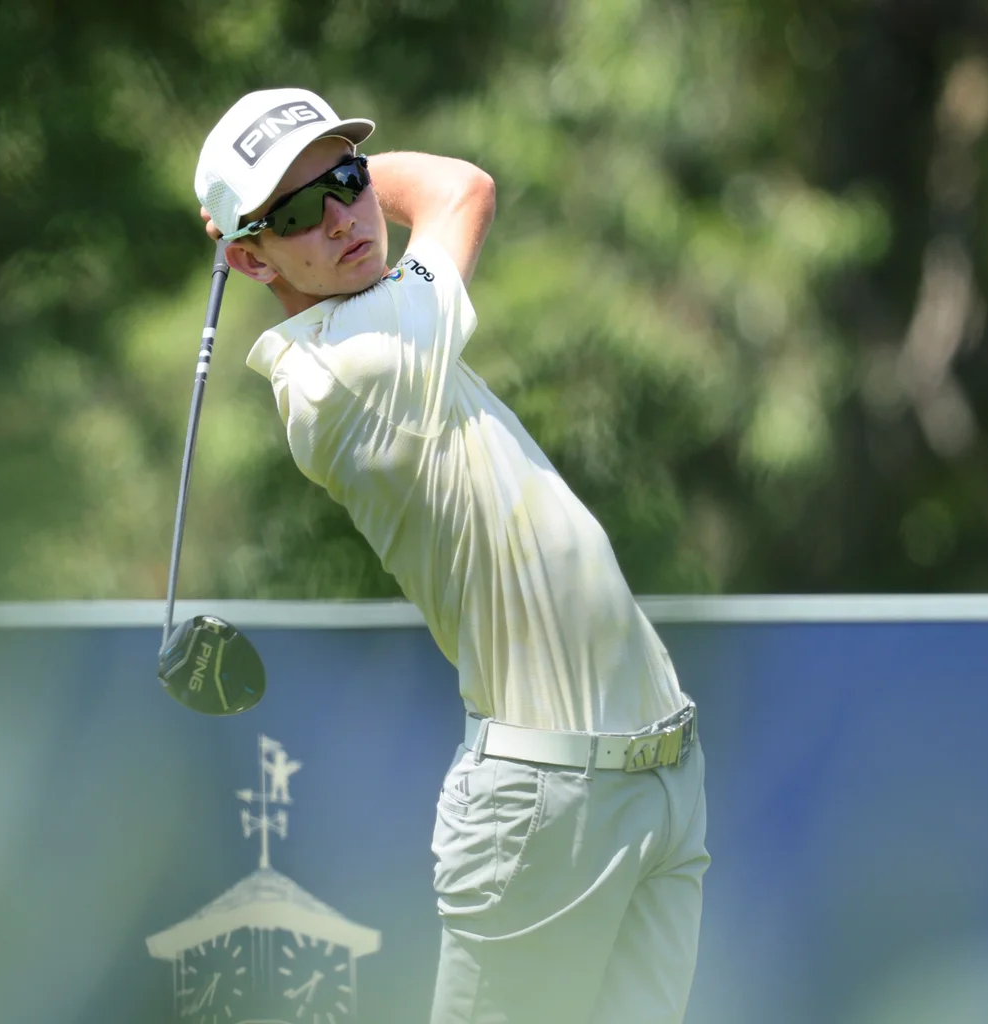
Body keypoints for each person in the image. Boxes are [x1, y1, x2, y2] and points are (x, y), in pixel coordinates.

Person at [193, 87, 711, 1024]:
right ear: (245, 258)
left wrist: (287, 199)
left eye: (348, 183)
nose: (345, 219)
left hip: (659, 780)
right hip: (544, 804)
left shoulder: (384, 316)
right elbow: (462, 187)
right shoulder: (351, 369)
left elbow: (419, 202)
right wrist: (307, 191)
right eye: (301, 215)